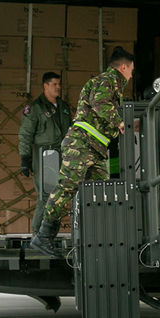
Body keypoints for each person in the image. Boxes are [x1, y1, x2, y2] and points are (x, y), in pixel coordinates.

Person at [31, 47, 135, 255]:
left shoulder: (111, 84)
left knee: (101, 194)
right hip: (82, 143)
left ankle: (98, 239)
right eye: (131, 69)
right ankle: (44, 235)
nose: (132, 74)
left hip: (96, 149)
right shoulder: (108, 80)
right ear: (123, 67)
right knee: (68, 186)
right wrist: (120, 122)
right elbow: (99, 103)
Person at [19, 71, 73, 233]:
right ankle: (38, 235)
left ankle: (49, 236)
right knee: (46, 196)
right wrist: (25, 159)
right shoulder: (35, 108)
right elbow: (25, 134)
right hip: (46, 156)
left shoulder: (63, 107)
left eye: (59, 84)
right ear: (45, 86)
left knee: (58, 198)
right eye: (54, 84)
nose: (58, 87)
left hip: (62, 156)